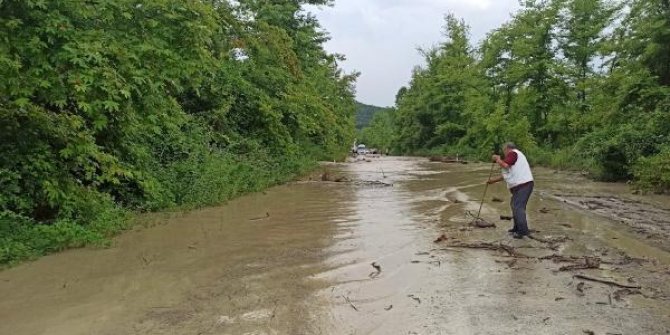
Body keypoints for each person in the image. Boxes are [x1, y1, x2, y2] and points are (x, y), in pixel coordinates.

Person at [487, 142, 534, 239]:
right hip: (522, 186)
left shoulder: (513, 153)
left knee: (518, 207)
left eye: (504, 150)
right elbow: (506, 174)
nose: (504, 153)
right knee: (514, 205)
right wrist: (492, 181)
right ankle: (516, 228)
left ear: (507, 149)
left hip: (523, 185)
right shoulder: (514, 156)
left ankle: (523, 231)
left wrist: (497, 159)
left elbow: (505, 166)